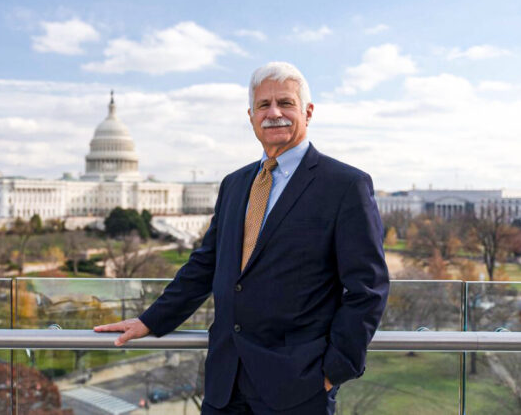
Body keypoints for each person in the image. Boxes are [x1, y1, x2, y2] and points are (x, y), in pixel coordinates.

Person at [94, 61, 390, 414]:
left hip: (299, 386)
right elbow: (206, 264)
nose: (274, 113)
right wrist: (151, 320)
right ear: (250, 116)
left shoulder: (344, 185)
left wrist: (335, 370)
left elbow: (367, 288)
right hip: (225, 383)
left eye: (285, 103)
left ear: (308, 112)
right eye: (263, 105)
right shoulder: (235, 184)